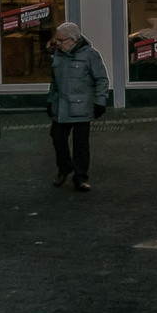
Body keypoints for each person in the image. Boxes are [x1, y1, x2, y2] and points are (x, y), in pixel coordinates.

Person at [47, 21, 110, 191]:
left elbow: (102, 79)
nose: (58, 44)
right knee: (57, 138)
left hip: (82, 107)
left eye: (61, 41)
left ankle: (81, 177)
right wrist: (50, 100)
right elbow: (55, 81)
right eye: (57, 40)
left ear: (74, 39)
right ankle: (65, 167)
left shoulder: (90, 55)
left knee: (81, 144)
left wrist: (100, 102)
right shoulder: (59, 55)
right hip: (61, 106)